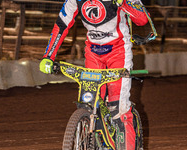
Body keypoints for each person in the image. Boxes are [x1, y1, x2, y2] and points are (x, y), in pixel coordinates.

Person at [40, 0, 150, 149]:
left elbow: (143, 19)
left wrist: (123, 2)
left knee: (118, 108)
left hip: (119, 53)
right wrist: (48, 56)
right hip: (93, 53)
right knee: (89, 103)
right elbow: (61, 24)